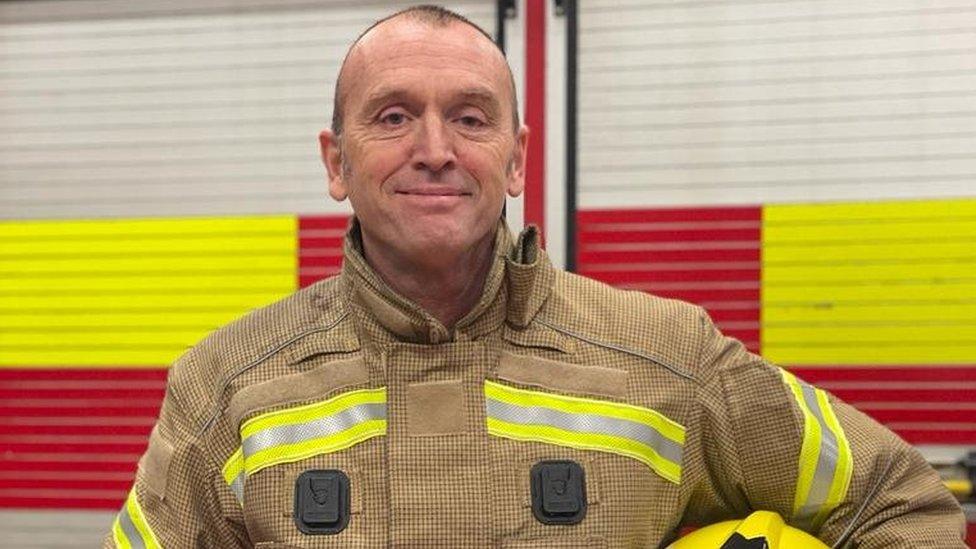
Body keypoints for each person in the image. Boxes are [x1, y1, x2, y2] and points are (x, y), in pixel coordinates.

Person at [105, 5, 966, 548]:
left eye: (470, 118)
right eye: (394, 115)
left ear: (516, 158)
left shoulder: (671, 358)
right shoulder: (226, 387)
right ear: (337, 162)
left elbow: (903, 503)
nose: (435, 150)